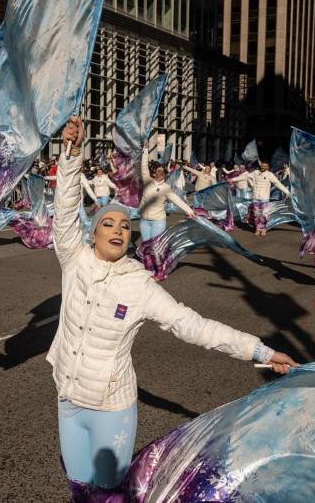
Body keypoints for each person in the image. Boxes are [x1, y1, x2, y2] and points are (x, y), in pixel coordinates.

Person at [50, 117, 299, 491]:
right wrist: (71, 154)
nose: (118, 230)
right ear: (93, 233)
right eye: (108, 224)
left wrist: (260, 350)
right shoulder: (75, 259)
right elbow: (65, 209)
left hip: (111, 408)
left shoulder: (139, 284)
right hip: (68, 400)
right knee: (78, 487)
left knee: (108, 492)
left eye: (124, 226)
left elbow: (193, 326)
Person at [139, 144, 195, 241]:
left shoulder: (166, 188)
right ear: (154, 173)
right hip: (144, 221)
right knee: (145, 245)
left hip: (158, 221)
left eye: (163, 172)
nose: (162, 173)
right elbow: (143, 166)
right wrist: (145, 149)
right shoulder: (147, 180)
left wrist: (190, 211)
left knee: (155, 246)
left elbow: (177, 200)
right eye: (159, 171)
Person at [239, 162, 290, 236]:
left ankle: (263, 229)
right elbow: (246, 177)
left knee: (264, 215)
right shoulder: (256, 172)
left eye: (265, 166)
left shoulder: (270, 175)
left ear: (268, 167)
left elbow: (278, 184)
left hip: (264, 199)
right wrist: (233, 179)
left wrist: (287, 192)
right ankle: (257, 229)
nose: (263, 167)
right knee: (257, 215)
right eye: (262, 166)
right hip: (256, 198)